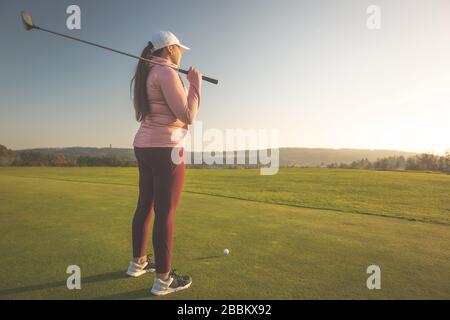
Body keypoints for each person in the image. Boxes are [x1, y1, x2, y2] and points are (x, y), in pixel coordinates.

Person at [127, 30, 202, 295]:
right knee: (165, 213)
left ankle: (138, 263)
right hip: (167, 149)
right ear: (170, 49)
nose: (181, 53)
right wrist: (195, 84)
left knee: (145, 205)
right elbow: (187, 115)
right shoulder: (167, 73)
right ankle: (163, 280)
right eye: (179, 49)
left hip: (144, 146)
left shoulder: (149, 71)